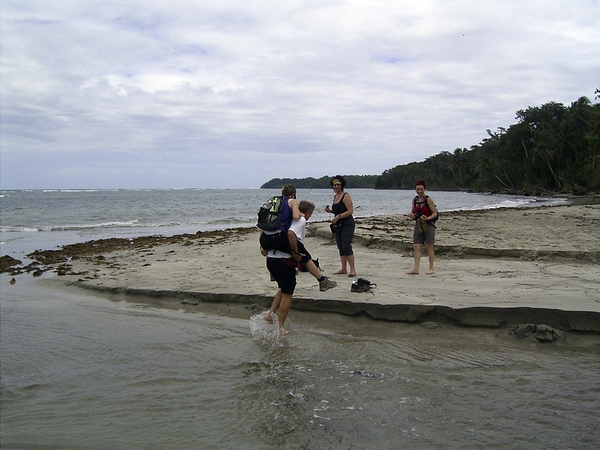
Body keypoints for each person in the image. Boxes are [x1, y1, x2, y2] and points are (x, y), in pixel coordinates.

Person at [263, 201, 336, 333]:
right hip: (283, 261)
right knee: (288, 294)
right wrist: (296, 253)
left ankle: (270, 314)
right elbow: (291, 234)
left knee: (284, 289)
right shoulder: (300, 219)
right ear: (308, 212)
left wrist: (263, 247)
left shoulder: (282, 218)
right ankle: (279, 328)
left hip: (271, 260)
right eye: (310, 214)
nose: (309, 217)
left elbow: (264, 230)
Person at [325, 175, 356, 277]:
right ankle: (343, 269)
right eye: (334, 185)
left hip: (347, 223)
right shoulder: (335, 196)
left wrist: (338, 216)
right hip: (338, 225)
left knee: (347, 246)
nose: (336, 187)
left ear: (342, 185)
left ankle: (352, 269)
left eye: (338, 184)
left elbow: (350, 211)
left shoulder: (346, 195)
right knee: (340, 246)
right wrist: (331, 211)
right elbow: (339, 210)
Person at [406, 179, 438, 275]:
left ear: (424, 189)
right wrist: (411, 215)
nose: (419, 191)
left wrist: (427, 218)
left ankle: (431, 268)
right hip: (418, 224)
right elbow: (412, 211)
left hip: (428, 225)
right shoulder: (415, 200)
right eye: (417, 189)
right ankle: (416, 268)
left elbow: (435, 213)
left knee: (429, 246)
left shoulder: (428, 199)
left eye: (421, 189)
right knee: (416, 246)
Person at [259, 184, 301, 253]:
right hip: (279, 237)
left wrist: (261, 245)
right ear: (293, 194)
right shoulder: (293, 201)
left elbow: (265, 223)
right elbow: (296, 216)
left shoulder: (274, 201)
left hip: (265, 238)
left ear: (282, 193)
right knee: (303, 255)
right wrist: (301, 214)